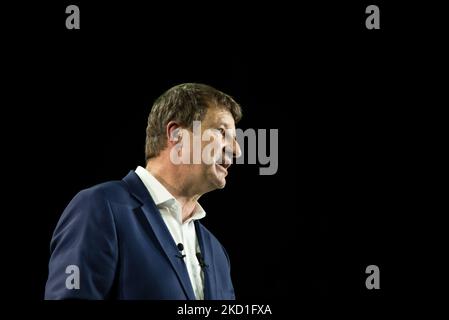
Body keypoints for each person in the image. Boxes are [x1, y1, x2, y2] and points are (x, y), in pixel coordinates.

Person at [44, 83, 242, 299]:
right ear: (176, 134)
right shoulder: (100, 207)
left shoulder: (217, 253)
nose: (237, 149)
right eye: (221, 132)